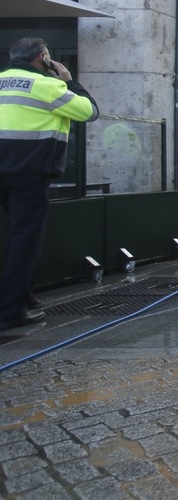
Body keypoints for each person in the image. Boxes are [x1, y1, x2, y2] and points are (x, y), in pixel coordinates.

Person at [0, 38, 99, 331]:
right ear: (44, 57)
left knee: (18, 236)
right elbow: (89, 111)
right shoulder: (48, 86)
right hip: (29, 174)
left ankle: (24, 296)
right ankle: (11, 310)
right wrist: (70, 81)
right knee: (25, 240)